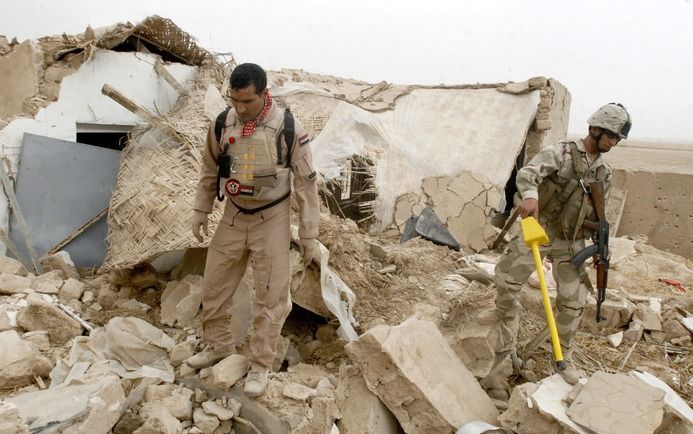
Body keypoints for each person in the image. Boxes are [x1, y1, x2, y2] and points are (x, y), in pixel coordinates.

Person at [186, 63, 320, 398]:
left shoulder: (288, 128)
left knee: (271, 297)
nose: (240, 108)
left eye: (247, 101)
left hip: (271, 219)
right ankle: (218, 347)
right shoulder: (222, 123)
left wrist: (308, 234)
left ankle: (260, 364)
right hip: (233, 215)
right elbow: (209, 168)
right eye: (235, 100)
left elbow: (306, 185)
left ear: (264, 94)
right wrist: (201, 209)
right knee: (215, 286)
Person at [484, 103, 631, 383]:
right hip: (540, 229)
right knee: (507, 286)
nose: (613, 142)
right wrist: (530, 196)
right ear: (595, 129)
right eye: (611, 135)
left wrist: (600, 244)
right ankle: (504, 351)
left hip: (571, 242)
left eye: (617, 138)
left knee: (574, 302)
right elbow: (528, 175)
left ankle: (562, 357)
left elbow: (598, 215)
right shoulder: (561, 154)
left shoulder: (604, 173)